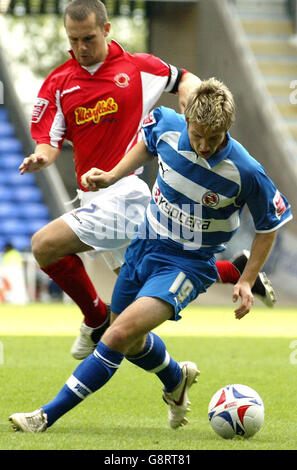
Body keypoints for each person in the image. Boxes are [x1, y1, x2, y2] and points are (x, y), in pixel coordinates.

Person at [9, 78, 292, 432]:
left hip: (187, 265)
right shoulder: (168, 124)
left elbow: (270, 224)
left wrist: (248, 280)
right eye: (198, 135)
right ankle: (176, 379)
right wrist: (112, 176)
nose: (204, 145)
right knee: (129, 340)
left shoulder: (246, 171)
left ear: (227, 129)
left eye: (213, 138)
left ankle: (45, 416)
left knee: (115, 335)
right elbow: (146, 141)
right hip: (145, 244)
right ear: (187, 118)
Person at [19, 0, 275, 361]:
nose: (81, 47)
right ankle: (178, 368)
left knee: (44, 245)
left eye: (88, 37)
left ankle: (94, 319)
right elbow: (48, 140)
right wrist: (41, 157)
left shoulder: (136, 68)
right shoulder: (59, 83)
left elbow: (184, 78)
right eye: (73, 40)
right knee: (129, 325)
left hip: (125, 191)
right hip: (92, 195)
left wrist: (191, 102)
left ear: (106, 30)